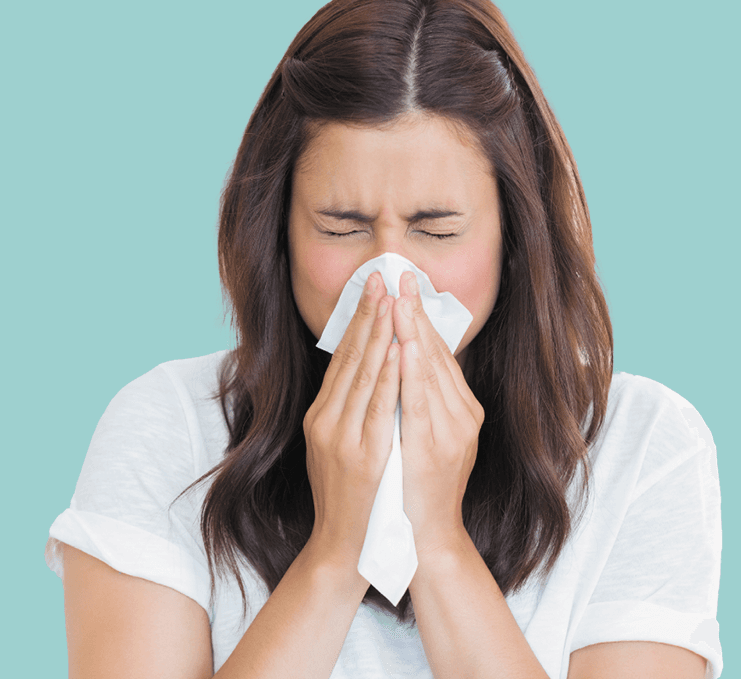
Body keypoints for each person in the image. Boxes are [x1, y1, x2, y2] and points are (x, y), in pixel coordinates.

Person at [44, 0, 722, 677]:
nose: (389, 279)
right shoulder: (167, 430)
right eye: (341, 227)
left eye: (437, 229)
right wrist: (336, 552)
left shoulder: (642, 445)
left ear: (513, 234)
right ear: (277, 231)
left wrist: (438, 541)